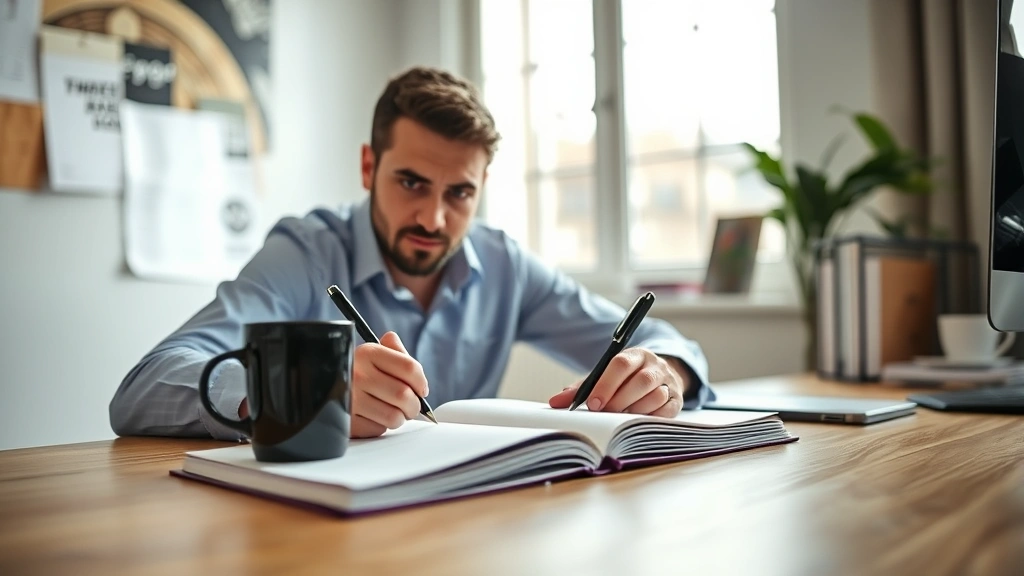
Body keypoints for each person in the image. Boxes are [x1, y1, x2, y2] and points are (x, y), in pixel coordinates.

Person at [109, 66, 714, 441]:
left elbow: (656, 336)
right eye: (411, 183)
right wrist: (299, 390)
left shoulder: (504, 266)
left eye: (460, 193)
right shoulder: (307, 253)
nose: (434, 217)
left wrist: (665, 372)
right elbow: (142, 388)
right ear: (369, 166)